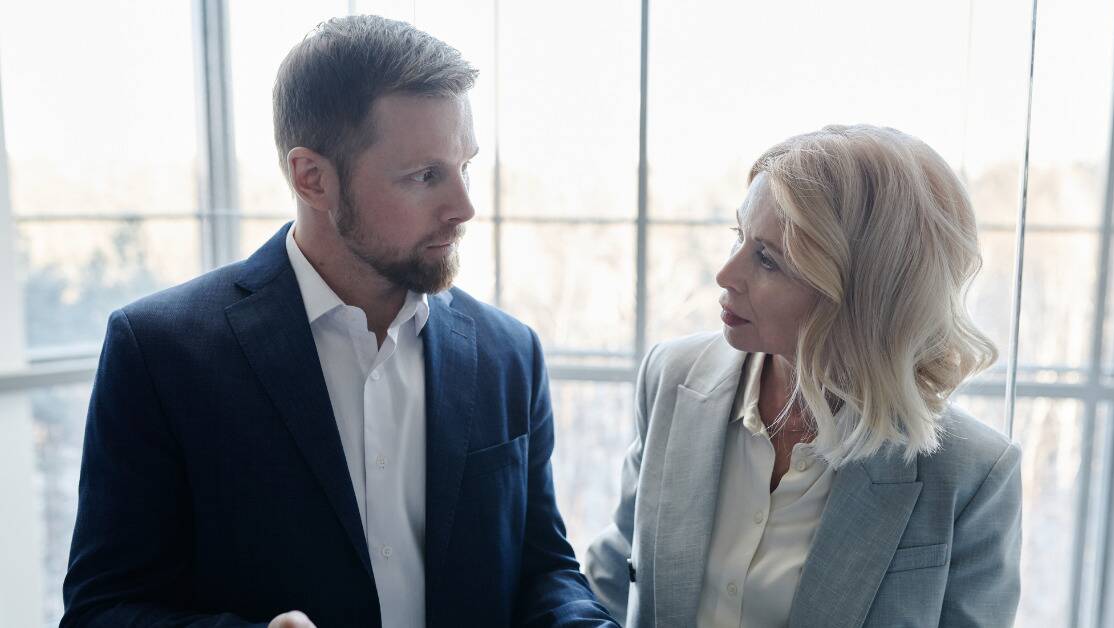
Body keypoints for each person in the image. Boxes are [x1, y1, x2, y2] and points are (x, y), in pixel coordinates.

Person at [62, 15, 615, 628]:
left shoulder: (511, 353)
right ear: (313, 178)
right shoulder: (161, 352)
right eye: (425, 175)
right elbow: (101, 609)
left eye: (466, 166)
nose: (464, 207)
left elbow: (543, 570)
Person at [586, 125, 1022, 627]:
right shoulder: (670, 377)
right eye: (739, 236)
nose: (726, 274)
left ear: (860, 297)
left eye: (767, 259)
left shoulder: (970, 474)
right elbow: (613, 577)